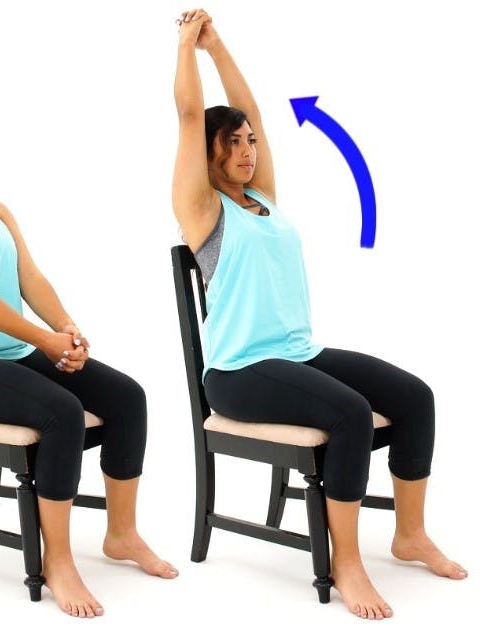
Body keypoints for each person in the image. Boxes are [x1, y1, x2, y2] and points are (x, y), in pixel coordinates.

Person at [172, 8, 467, 621]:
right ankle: (346, 561)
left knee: (415, 397)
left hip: (298, 354)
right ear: (210, 153)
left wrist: (220, 45)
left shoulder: (263, 201)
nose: (248, 149)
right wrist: (186, 47)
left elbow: (247, 106)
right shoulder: (202, 210)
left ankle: (409, 536)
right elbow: (189, 116)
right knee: (350, 413)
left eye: (250, 140)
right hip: (239, 372)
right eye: (233, 143)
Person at [0, 103, 178, 619]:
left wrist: (66, 329)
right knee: (61, 412)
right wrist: (46, 344)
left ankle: (121, 534)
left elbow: (30, 279)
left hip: (12, 355)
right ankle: (60, 561)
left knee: (127, 397)